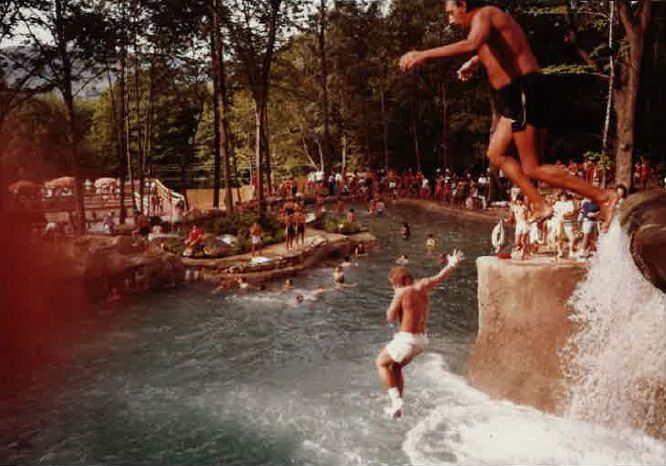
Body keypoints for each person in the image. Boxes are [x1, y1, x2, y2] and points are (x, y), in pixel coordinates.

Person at [398, 0, 618, 231]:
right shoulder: (487, 21)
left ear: (463, 4)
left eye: (451, 13)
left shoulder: (486, 14)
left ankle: (603, 196)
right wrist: (475, 62)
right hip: (515, 94)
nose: (450, 20)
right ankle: (539, 202)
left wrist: (422, 54)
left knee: (533, 167)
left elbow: (473, 43)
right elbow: (500, 46)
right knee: (495, 154)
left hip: (524, 89)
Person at [375, 249, 465, 418]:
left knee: (381, 362)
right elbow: (439, 277)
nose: (394, 287)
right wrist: (452, 264)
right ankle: (398, 406)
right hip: (422, 341)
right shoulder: (423, 285)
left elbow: (390, 317)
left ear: (399, 282)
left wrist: (395, 298)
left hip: (407, 339)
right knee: (395, 367)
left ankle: (395, 401)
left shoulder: (401, 292)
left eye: (393, 284)